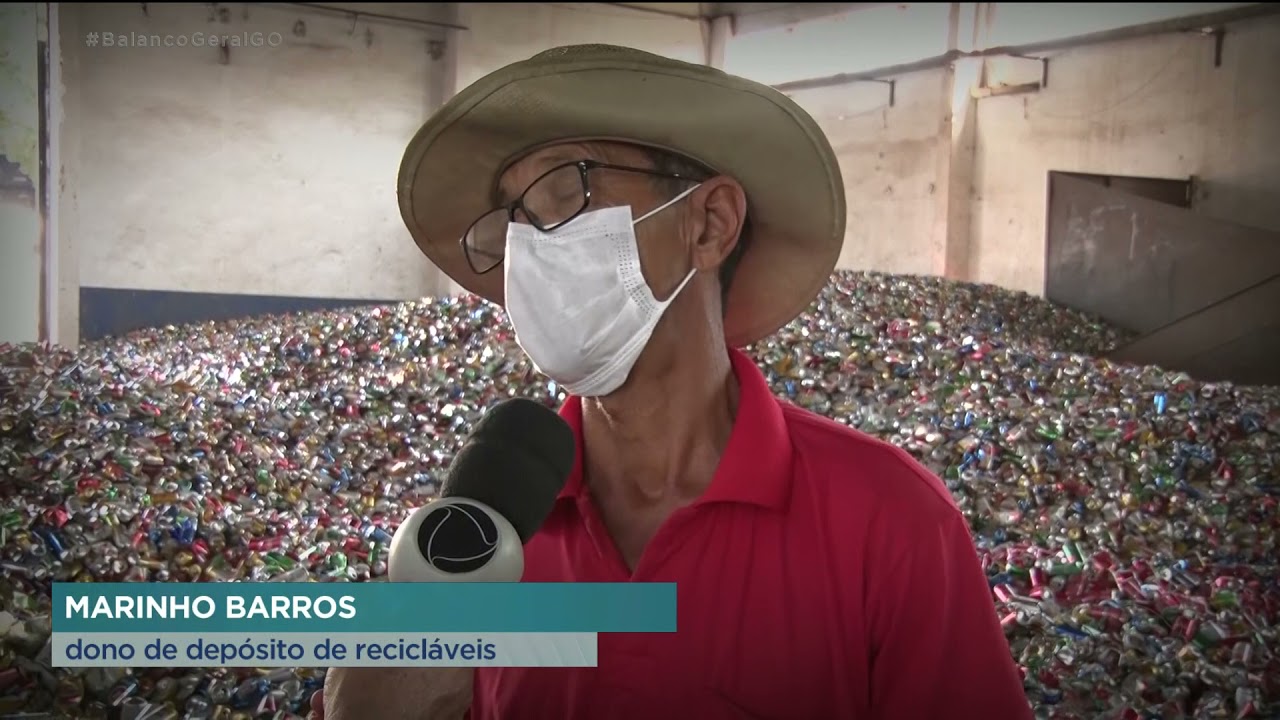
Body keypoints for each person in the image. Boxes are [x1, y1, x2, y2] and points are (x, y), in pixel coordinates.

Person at [315, 44, 1032, 720]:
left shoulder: (892, 524)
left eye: (566, 192)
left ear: (709, 224)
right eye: (514, 221)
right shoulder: (482, 544)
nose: (530, 250)